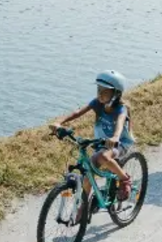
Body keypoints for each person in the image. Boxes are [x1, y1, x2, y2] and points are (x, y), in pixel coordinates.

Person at [52, 71, 134, 202]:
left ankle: (125, 179)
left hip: (120, 143)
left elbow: (120, 123)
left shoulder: (121, 109)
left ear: (116, 94)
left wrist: (115, 137)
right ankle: (83, 209)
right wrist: (59, 123)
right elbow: (78, 112)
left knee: (102, 157)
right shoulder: (97, 103)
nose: (100, 94)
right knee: (87, 176)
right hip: (102, 143)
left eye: (105, 91)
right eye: (98, 89)